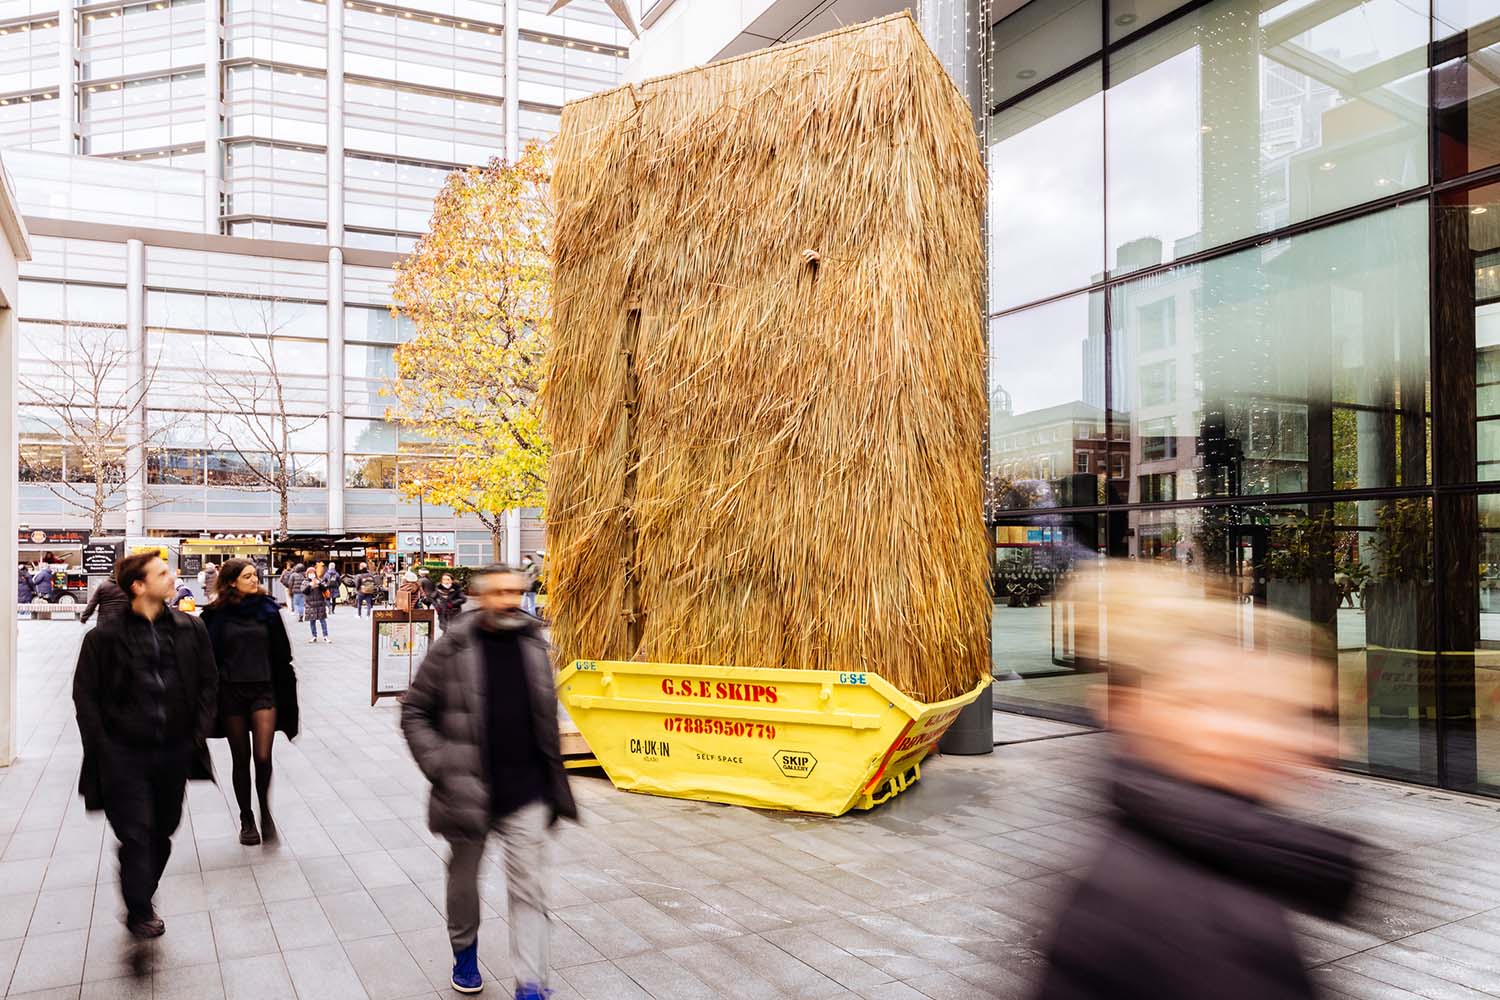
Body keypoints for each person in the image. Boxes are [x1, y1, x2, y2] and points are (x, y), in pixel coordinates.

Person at [1032, 562, 1362, 1000]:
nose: (1333, 747)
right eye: (1280, 712)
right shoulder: (1172, 909)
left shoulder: (1203, 853)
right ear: (1141, 711)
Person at [401, 565, 577, 997]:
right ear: (480, 596)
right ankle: (465, 952)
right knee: (464, 882)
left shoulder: (535, 645)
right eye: (498, 592)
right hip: (467, 790)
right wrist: (442, 765)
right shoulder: (453, 646)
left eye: (516, 591)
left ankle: (531, 983)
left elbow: (544, 715)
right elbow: (414, 711)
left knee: (529, 890)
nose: (509, 600)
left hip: (528, 791)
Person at [72, 553, 218, 938]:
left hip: (174, 751)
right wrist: (104, 748)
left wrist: (196, 735)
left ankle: (141, 890)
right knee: (135, 833)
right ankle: (139, 908)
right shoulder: (102, 639)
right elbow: (85, 699)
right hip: (123, 754)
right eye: (162, 573)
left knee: (163, 831)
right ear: (138, 585)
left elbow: (207, 682)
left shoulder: (191, 629)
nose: (172, 577)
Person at [201, 559, 300, 845]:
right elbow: (207, 656)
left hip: (264, 690)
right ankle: (246, 818)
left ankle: (265, 811)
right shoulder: (216, 615)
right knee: (240, 759)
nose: (254, 580)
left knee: (263, 756)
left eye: (255, 575)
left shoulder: (268, 610)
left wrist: (287, 687)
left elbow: (283, 654)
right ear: (232, 581)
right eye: (247, 576)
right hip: (231, 691)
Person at [301, 563, 330, 643]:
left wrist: (319, 584)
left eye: (313, 573)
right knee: (312, 621)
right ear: (307, 574)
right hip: (310, 605)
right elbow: (304, 591)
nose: (311, 574)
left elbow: (325, 589)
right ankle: (314, 636)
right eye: (309, 573)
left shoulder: (319, 580)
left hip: (320, 604)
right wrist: (310, 585)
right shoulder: (305, 582)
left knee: (323, 621)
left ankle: (325, 636)